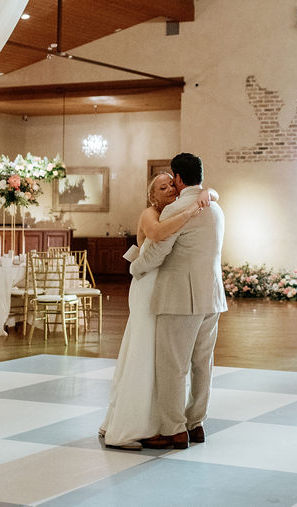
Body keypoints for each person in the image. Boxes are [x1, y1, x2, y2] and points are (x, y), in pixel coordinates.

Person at [100, 171, 214, 449]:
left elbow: (208, 194)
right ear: (152, 195)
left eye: (171, 185)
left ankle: (154, 421)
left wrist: (207, 194)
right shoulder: (150, 214)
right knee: (144, 350)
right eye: (162, 187)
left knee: (158, 356)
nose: (169, 190)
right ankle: (131, 426)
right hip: (147, 284)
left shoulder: (176, 209)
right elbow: (157, 234)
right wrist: (189, 212)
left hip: (164, 286)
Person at [133, 152, 225, 450]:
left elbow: (156, 252)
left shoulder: (177, 209)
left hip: (179, 299)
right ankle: (195, 423)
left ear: (179, 178)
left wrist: (135, 267)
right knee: (203, 365)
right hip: (211, 296)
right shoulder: (215, 207)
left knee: (173, 365)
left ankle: (173, 429)